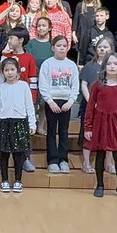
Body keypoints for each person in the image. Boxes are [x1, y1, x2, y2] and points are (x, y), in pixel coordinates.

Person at [84, 53, 117, 200]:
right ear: (104, 66)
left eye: (115, 64)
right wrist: (88, 127)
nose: (112, 66)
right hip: (100, 123)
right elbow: (90, 107)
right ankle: (100, 185)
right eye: (109, 63)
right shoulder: (97, 86)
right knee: (100, 154)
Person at [0, 58, 36, 193]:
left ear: (17, 71)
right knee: (4, 154)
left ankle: (18, 180)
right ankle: (4, 180)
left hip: (20, 123)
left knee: (19, 154)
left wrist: (32, 123)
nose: (9, 73)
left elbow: (29, 106)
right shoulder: (1, 88)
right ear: (2, 72)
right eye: (6, 70)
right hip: (4, 123)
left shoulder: (23, 86)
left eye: (12, 70)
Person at [38, 36, 79, 174]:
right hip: (52, 102)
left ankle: (63, 160)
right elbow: (43, 85)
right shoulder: (47, 64)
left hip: (66, 103)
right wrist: (50, 101)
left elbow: (75, 86)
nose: (61, 48)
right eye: (59, 46)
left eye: (64, 46)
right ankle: (52, 160)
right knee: (51, 132)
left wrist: (71, 101)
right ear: (53, 48)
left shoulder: (71, 65)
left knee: (63, 132)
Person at [78, 37, 113, 174]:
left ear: (111, 49)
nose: (102, 50)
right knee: (88, 134)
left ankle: (109, 163)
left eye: (105, 47)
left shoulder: (112, 65)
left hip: (108, 107)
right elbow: (84, 84)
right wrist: (91, 101)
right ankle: (86, 163)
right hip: (90, 106)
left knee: (109, 135)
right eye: (100, 47)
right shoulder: (89, 65)